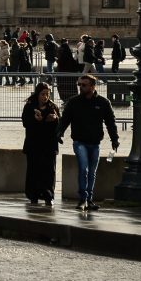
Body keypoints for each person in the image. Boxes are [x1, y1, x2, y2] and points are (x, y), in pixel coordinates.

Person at [57, 74, 119, 212]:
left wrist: (114, 139)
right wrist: (59, 132)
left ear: (92, 86)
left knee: (92, 172)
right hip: (79, 142)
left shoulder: (103, 102)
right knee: (83, 168)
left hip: (95, 143)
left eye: (84, 85)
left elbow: (110, 122)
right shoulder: (74, 102)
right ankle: (83, 198)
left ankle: (89, 199)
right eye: (79, 85)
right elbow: (65, 119)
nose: (80, 87)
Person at [21, 82, 60, 206]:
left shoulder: (52, 106)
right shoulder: (30, 106)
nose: (45, 97)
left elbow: (60, 124)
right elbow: (25, 122)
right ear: (37, 94)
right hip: (34, 144)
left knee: (49, 171)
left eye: (47, 94)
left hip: (49, 144)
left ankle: (48, 195)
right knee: (33, 170)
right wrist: (35, 119)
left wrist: (55, 120)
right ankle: (33, 195)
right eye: (43, 94)